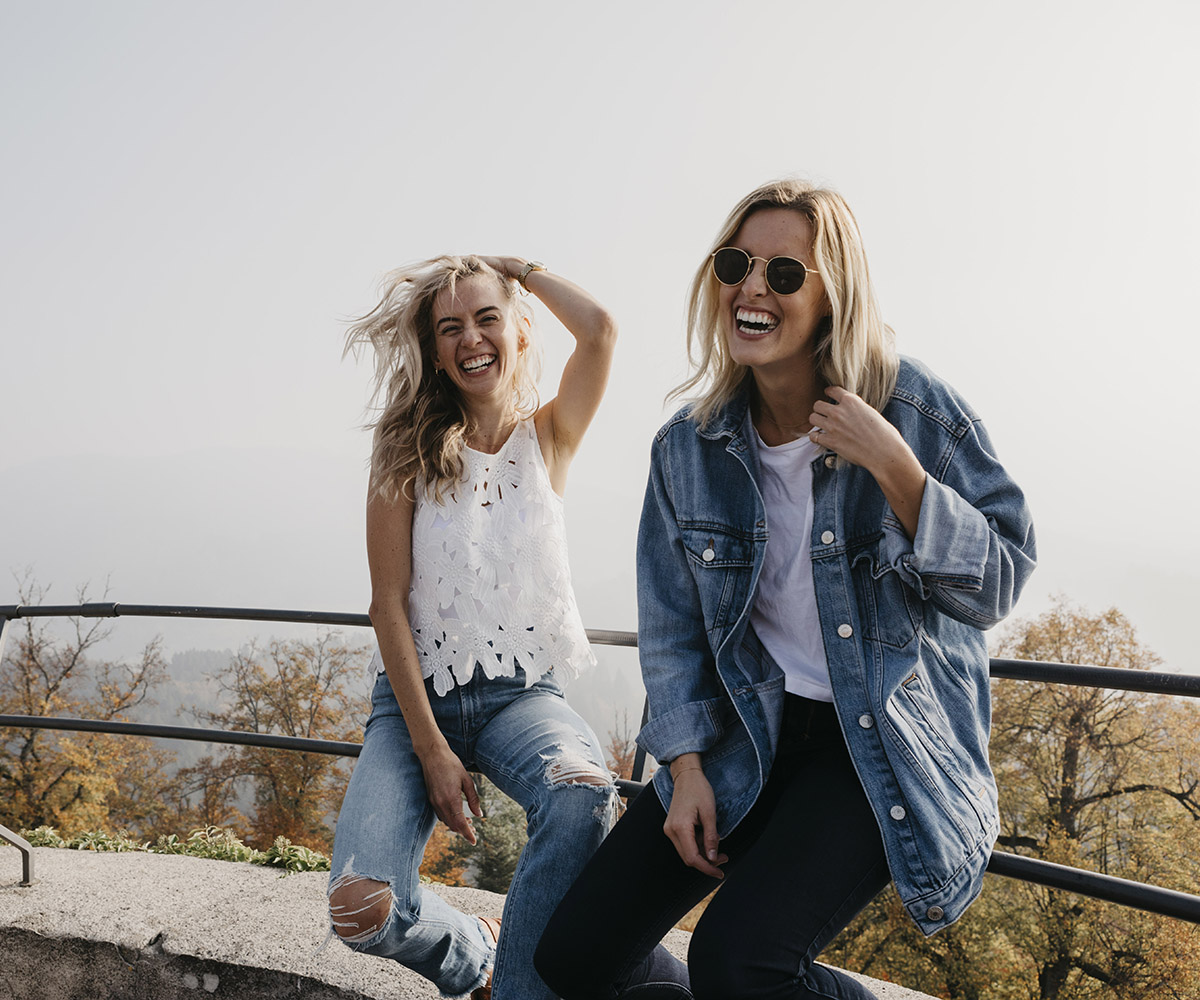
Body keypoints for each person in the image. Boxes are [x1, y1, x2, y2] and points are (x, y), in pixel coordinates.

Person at [535, 179, 1036, 1000]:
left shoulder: (911, 408)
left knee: (737, 962)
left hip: (877, 745)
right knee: (577, 957)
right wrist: (687, 765)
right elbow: (671, 630)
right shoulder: (688, 449)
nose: (752, 287)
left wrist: (896, 469)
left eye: (785, 272)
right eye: (737, 263)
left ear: (833, 296)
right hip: (751, 735)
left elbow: (999, 580)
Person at [328, 254, 618, 1000]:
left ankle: (518, 990)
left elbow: (600, 330)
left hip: (522, 698)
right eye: (449, 326)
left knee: (583, 790)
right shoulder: (404, 448)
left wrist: (520, 270)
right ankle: (472, 951)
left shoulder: (548, 438)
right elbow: (387, 603)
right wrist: (431, 749)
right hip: (415, 704)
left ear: (519, 331)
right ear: (433, 349)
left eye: (487, 318)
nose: (471, 338)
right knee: (361, 910)